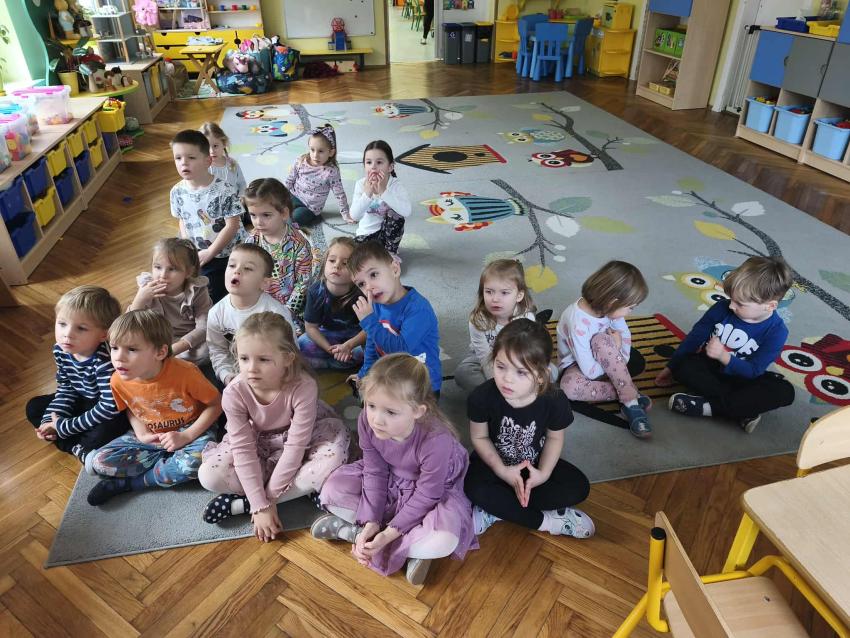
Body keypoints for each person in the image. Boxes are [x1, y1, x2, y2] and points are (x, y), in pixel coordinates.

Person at [312, 353, 477, 585]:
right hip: (390, 478)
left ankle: (362, 536)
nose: (377, 420)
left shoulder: (436, 440)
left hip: (428, 491)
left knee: (446, 539)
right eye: (371, 406)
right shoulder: (367, 420)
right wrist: (371, 521)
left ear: (418, 411)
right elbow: (374, 472)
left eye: (390, 412)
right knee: (332, 490)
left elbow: (427, 494)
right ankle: (385, 540)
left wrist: (388, 534)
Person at [198, 312, 349, 541]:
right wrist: (260, 504)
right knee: (209, 476)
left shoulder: (303, 386)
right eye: (244, 358)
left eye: (263, 360)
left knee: (333, 457)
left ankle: (243, 505)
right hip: (258, 443)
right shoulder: (234, 393)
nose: (251, 368)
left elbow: (296, 447)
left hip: (303, 442)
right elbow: (243, 450)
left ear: (288, 358)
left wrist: (262, 504)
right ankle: (300, 492)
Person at [464, 319, 594, 539]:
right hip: (493, 465)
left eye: (521, 372)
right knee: (472, 487)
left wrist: (542, 474)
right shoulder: (481, 397)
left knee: (578, 487)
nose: (507, 379)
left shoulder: (554, 399)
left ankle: (497, 509)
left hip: (533, 466)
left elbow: (554, 438)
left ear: (541, 375)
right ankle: (547, 521)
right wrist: (502, 471)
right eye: (500, 366)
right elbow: (479, 437)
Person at [87, 310, 222, 505]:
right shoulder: (117, 379)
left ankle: (133, 483)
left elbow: (216, 404)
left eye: (131, 349)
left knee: (198, 463)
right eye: (114, 348)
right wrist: (142, 434)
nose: (118, 357)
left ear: (160, 352)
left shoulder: (186, 372)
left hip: (191, 428)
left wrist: (186, 436)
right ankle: (166, 464)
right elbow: (130, 408)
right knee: (99, 461)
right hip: (152, 436)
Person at [657, 256, 796, 433]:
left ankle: (709, 407)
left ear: (770, 306)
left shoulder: (777, 332)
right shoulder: (721, 308)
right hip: (710, 368)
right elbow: (694, 338)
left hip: (744, 378)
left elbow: (754, 370)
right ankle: (743, 409)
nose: (731, 306)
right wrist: (671, 367)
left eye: (740, 303)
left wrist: (724, 356)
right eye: (731, 299)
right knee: (683, 365)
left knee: (784, 391)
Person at [25, 286, 128, 469]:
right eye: (62, 324)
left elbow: (109, 407)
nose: (67, 334)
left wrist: (65, 426)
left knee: (105, 431)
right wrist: (51, 420)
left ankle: (74, 444)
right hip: (81, 400)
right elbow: (66, 387)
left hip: (106, 406)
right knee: (34, 407)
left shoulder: (104, 361)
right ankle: (78, 447)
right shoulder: (61, 350)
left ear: (103, 334)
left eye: (81, 328)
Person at [557, 260, 652, 439]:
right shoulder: (577, 323)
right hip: (578, 367)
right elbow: (590, 372)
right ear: (612, 302)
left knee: (601, 341)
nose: (630, 312)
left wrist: (619, 354)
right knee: (568, 389)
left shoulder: (610, 311)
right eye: (630, 308)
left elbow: (624, 335)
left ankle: (630, 403)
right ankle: (629, 392)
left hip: (607, 360)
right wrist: (616, 358)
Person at [347, 241, 441, 396]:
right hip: (393, 378)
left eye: (374, 275)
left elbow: (402, 349)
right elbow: (372, 343)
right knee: (366, 399)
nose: (369, 287)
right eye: (361, 284)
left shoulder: (418, 308)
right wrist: (365, 374)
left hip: (421, 386)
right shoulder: (376, 305)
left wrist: (370, 322)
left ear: (395, 269)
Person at [170, 129, 245, 303]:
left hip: (228, 252)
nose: (183, 163)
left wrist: (211, 252)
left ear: (207, 161)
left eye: (191, 157)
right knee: (188, 285)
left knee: (220, 293)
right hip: (199, 251)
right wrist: (188, 244)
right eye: (178, 158)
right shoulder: (177, 191)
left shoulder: (224, 190)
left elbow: (232, 225)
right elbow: (182, 219)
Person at [207, 243, 296, 386]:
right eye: (232, 265)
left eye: (248, 268)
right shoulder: (216, 313)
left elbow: (290, 352)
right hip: (235, 376)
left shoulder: (277, 313)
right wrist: (227, 376)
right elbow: (218, 350)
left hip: (271, 376)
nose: (237, 271)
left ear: (264, 283)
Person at [454, 259, 536, 391]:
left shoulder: (527, 319)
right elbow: (484, 356)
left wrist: (514, 376)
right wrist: (498, 385)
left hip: (517, 359)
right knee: (463, 373)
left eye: (504, 293)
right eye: (489, 291)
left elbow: (526, 354)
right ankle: (504, 392)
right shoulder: (478, 320)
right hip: (487, 358)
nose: (495, 299)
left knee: (550, 371)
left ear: (519, 295)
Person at [129, 237, 212, 366]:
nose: (163, 275)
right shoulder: (147, 288)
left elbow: (204, 327)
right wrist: (139, 299)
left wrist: (174, 350)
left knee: (205, 351)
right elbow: (127, 323)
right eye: (158, 267)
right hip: (156, 338)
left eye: (172, 269)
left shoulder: (197, 290)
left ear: (188, 272)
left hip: (186, 341)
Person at [243, 178, 313, 315]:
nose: (258, 222)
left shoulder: (300, 246)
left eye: (266, 215)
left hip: (286, 308)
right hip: (257, 302)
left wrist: (286, 312)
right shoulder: (252, 239)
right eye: (253, 215)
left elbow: (303, 284)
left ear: (284, 214)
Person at [298, 237, 366, 369]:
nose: (337, 266)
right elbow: (311, 328)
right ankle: (340, 362)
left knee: (372, 347)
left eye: (345, 263)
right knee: (302, 343)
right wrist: (330, 349)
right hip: (327, 336)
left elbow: (369, 328)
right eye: (332, 260)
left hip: (354, 338)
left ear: (357, 270)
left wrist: (349, 346)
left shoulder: (362, 293)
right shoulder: (315, 291)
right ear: (325, 263)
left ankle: (331, 363)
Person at [349, 140, 411, 262]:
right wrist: (367, 194)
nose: (373, 166)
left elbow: (406, 212)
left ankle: (390, 253)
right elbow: (354, 216)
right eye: (369, 162)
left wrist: (383, 192)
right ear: (364, 166)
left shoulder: (395, 185)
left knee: (396, 215)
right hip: (365, 236)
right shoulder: (361, 184)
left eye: (379, 162)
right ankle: (376, 255)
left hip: (387, 238)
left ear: (390, 167)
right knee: (350, 255)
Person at [283, 124, 351, 227]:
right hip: (293, 196)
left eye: (321, 151)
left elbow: (339, 194)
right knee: (275, 205)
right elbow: (290, 180)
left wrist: (345, 214)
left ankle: (285, 222)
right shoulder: (300, 161)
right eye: (312, 150)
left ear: (331, 152)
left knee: (295, 219)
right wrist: (281, 196)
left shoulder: (331, 172)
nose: (315, 155)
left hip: (309, 208)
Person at [200, 122, 247, 196]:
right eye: (207, 147)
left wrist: (241, 197)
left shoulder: (232, 164)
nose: (212, 151)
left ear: (224, 143)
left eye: (215, 146)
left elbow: (242, 184)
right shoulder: (202, 169)